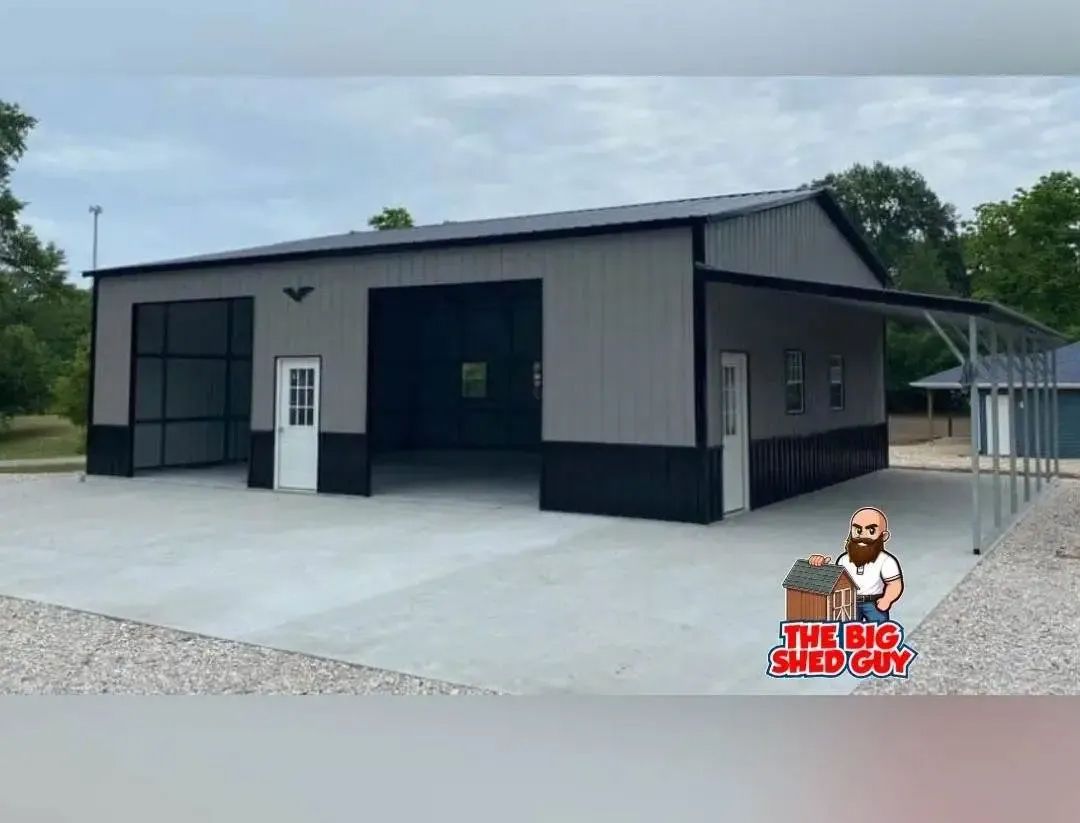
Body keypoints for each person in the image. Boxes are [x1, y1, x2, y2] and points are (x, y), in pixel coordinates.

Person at [808, 507, 903, 623]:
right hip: (848, 603)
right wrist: (820, 566)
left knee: (879, 633)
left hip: (874, 604)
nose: (862, 536)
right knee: (847, 634)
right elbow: (836, 582)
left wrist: (887, 599)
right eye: (858, 530)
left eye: (871, 531)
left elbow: (894, 584)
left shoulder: (886, 561)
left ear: (883, 536)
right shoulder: (844, 559)